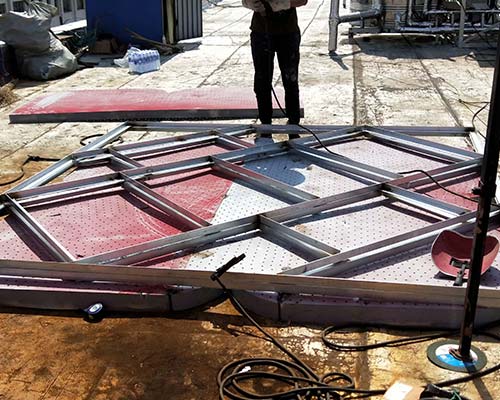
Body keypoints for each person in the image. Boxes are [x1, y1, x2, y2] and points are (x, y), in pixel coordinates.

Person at [242, 0, 308, 140]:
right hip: (261, 33)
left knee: (290, 80)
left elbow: (302, 0)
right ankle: (265, 125)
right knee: (262, 81)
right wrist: (250, 3)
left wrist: (278, 4)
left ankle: (293, 125)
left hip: (288, 33)